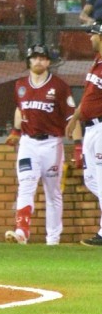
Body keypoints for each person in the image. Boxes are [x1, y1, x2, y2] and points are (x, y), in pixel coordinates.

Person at [4, 44, 80, 246]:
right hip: (28, 143)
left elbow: (72, 117)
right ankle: (22, 231)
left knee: (53, 193)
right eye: (35, 57)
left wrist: (78, 145)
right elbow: (20, 109)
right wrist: (16, 132)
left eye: (43, 58)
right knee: (26, 185)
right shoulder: (20, 85)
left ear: (48, 62)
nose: (38, 61)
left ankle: (53, 239)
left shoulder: (59, 86)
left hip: (52, 144)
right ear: (29, 61)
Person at [66, 21, 102, 246]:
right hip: (90, 128)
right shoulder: (97, 62)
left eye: (94, 34)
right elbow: (89, 97)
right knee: (90, 179)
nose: (90, 38)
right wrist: (74, 119)